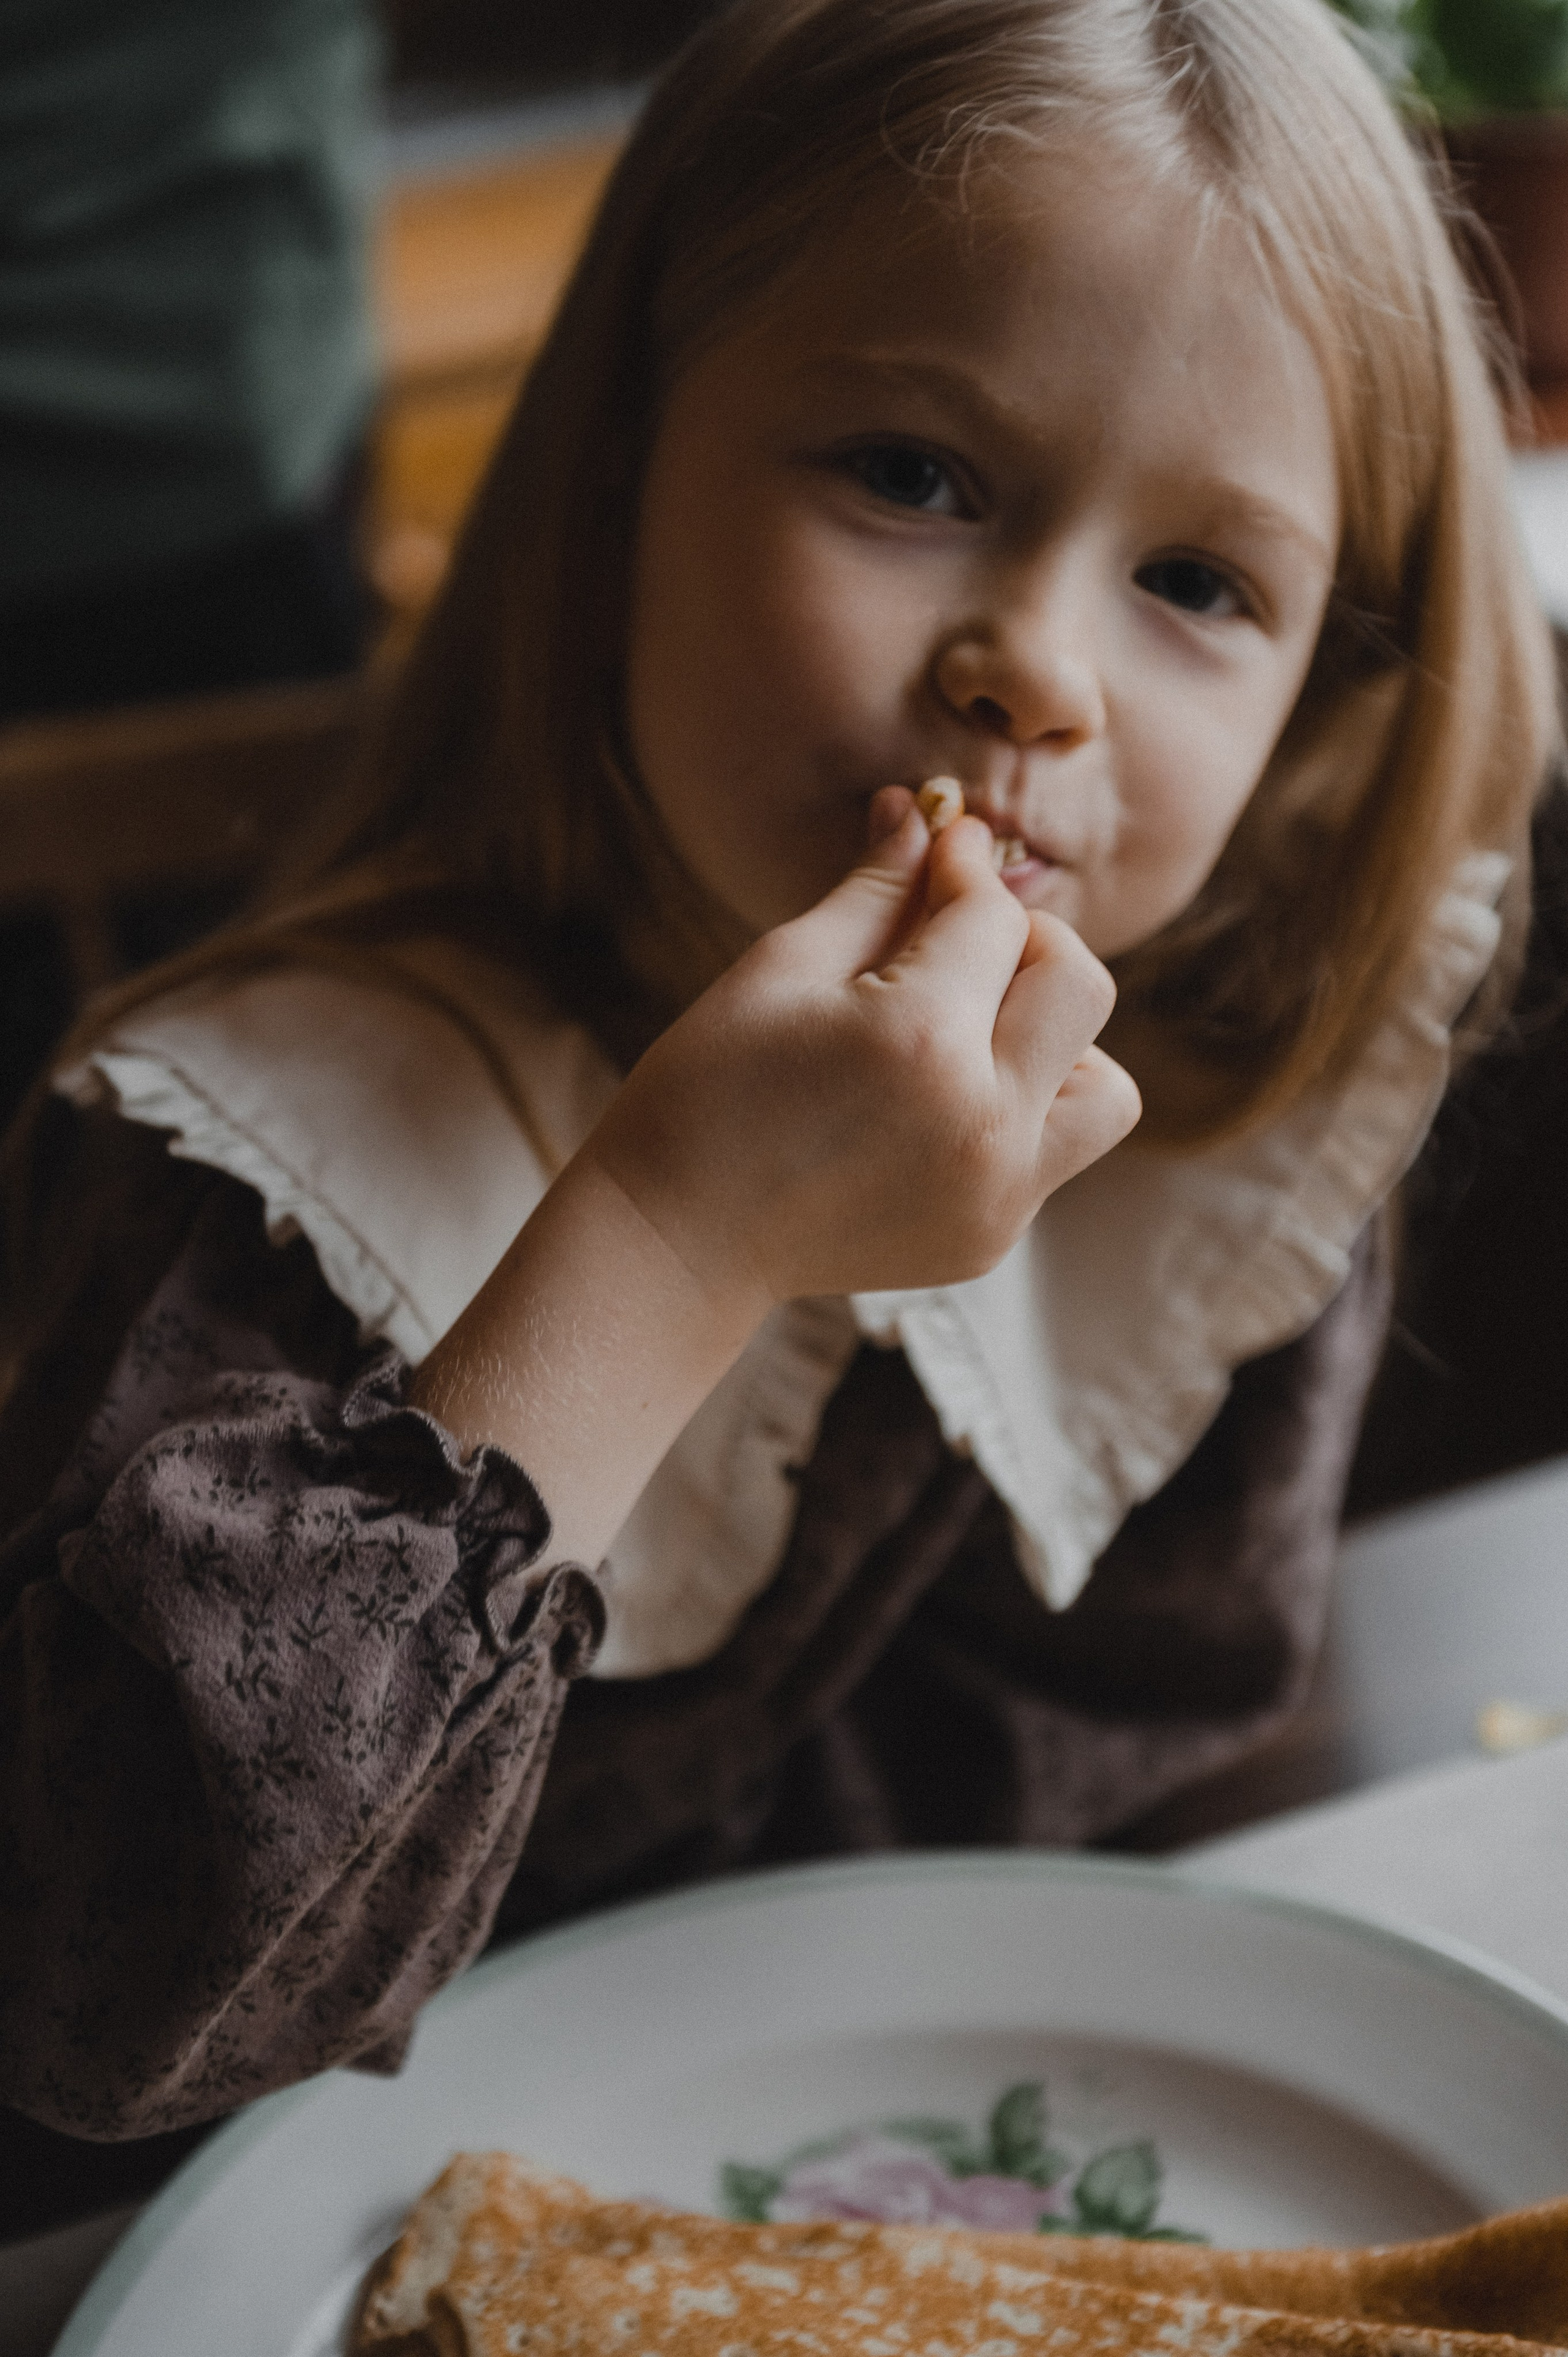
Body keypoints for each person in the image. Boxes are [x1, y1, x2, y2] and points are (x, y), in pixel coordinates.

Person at [0, 0, 1558, 2182]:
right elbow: (98, 2002)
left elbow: (1134, 1727)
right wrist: (673, 1239)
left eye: (1197, 582)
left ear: (1317, 706)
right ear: (624, 464)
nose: (1037, 664)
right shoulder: (268, 1161)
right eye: (913, 476)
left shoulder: (1201, 1134)